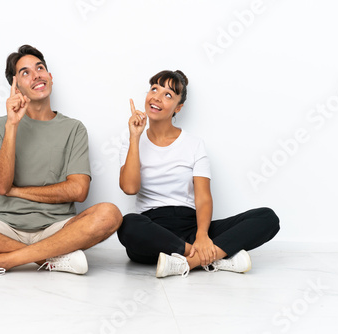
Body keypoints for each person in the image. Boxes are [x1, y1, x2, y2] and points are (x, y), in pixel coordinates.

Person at [0, 45, 122, 277]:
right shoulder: (1, 125)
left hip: (58, 229)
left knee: (110, 214)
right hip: (4, 230)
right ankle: (50, 257)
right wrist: (12, 125)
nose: (36, 75)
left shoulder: (74, 128)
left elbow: (79, 190)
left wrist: (16, 192)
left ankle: (3, 261)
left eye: (40, 68)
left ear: (50, 77)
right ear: (16, 86)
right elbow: (0, 186)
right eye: (25, 72)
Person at [117, 70, 280, 278]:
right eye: (154, 89)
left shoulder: (194, 144)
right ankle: (211, 258)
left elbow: (203, 197)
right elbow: (130, 188)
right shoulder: (132, 141)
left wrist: (202, 235)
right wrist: (134, 137)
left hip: (191, 226)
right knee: (128, 224)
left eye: (168, 94)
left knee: (267, 217)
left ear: (178, 107)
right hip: (154, 231)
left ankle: (188, 262)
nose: (157, 97)